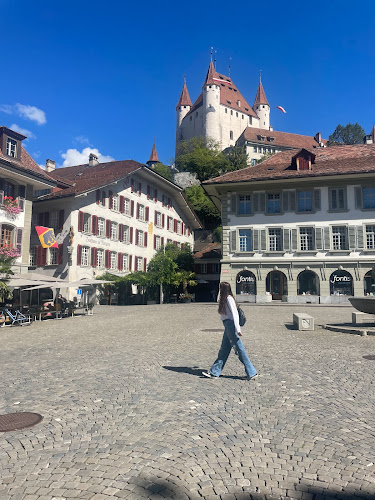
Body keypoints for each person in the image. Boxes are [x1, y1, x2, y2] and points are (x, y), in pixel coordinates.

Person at [202, 281, 258, 381]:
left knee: (240, 350)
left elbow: (235, 314)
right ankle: (215, 372)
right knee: (224, 350)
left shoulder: (229, 299)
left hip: (231, 326)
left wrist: (238, 329)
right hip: (228, 326)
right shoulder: (225, 299)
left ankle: (252, 372)